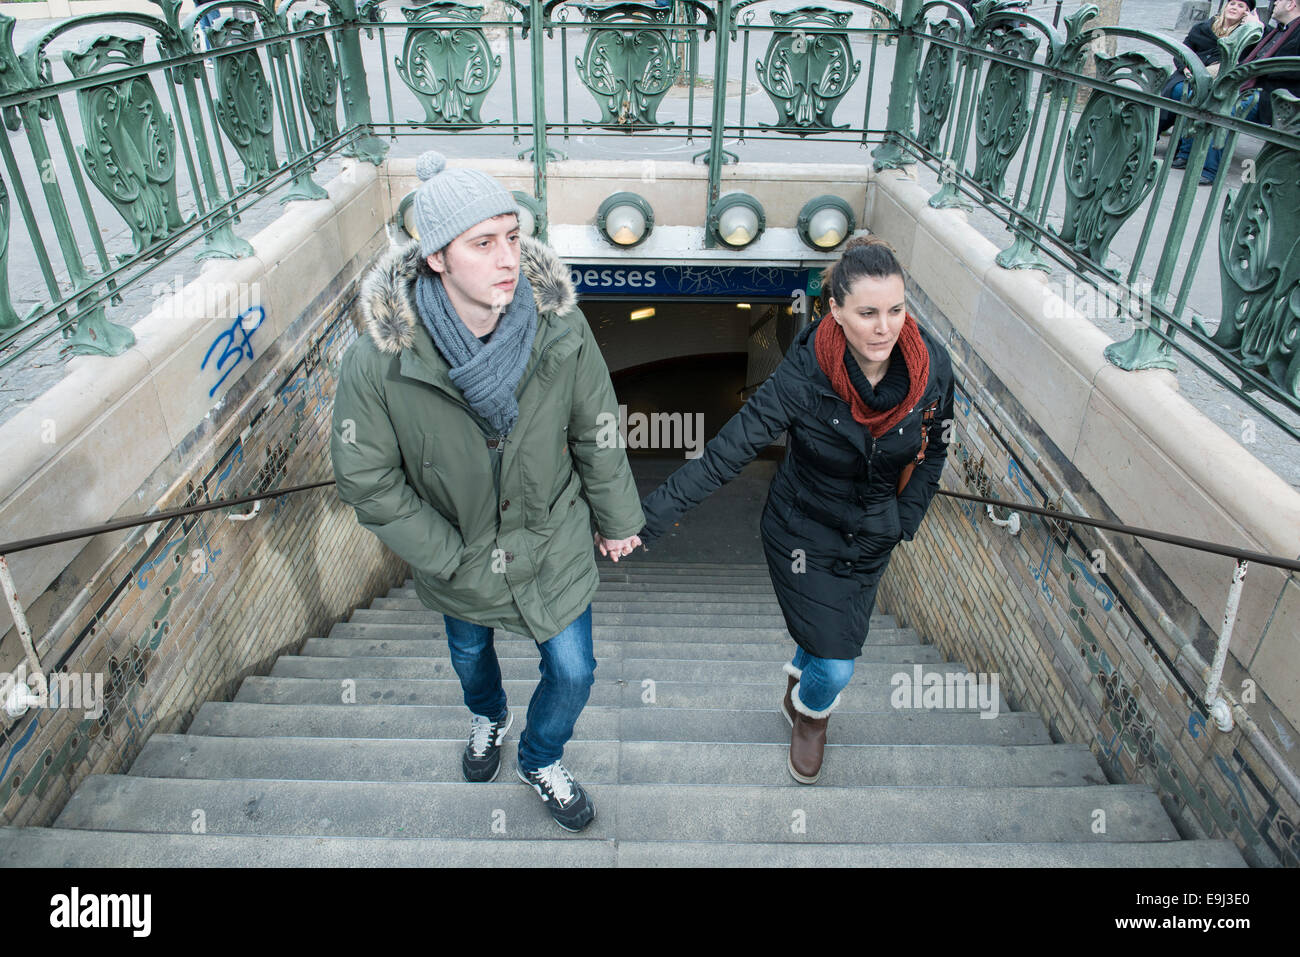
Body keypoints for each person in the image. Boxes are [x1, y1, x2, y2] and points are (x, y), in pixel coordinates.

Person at [330, 151, 644, 831]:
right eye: (483, 243)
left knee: (576, 669)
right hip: (460, 550)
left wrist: (618, 515)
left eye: (511, 235)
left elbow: (595, 426)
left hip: (550, 536)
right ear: (437, 258)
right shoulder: (379, 362)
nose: (508, 258)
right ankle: (489, 716)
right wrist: (445, 552)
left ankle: (539, 754)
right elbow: (367, 478)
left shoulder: (561, 326)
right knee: (471, 657)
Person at [634, 236, 955, 784]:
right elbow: (726, 453)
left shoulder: (933, 368)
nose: (886, 328)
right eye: (869, 313)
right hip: (802, 529)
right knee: (837, 662)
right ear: (835, 311)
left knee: (829, 638)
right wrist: (647, 519)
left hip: (872, 534)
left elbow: (938, 445)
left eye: (897, 310)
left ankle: (801, 678)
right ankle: (810, 716)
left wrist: (907, 518)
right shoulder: (803, 376)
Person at [1173, 0, 1300, 183]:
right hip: (1251, 86)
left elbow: (1291, 70)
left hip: (1275, 96)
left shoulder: (1294, 31)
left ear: (1291, 5)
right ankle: (1186, 152)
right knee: (1203, 92)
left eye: (1279, 1)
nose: (1275, 4)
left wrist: (1260, 71)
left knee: (1229, 106)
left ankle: (1208, 170)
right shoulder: (1278, 29)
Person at [1158, 0, 1261, 134]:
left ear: (1246, 13)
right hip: (1188, 74)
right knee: (1176, 90)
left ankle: (1183, 143)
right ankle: (1155, 133)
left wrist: (1254, 24)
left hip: (1215, 82)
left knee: (1193, 96)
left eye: (1240, 6)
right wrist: (1185, 68)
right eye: (1232, 4)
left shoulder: (1245, 36)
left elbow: (1260, 43)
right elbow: (1181, 52)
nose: (1234, 8)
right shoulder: (1203, 27)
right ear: (1225, 6)